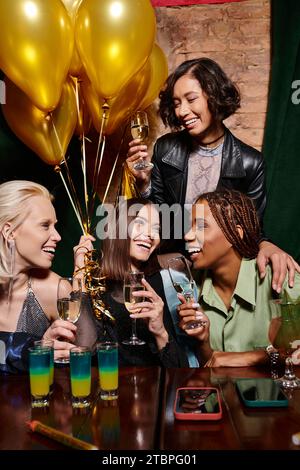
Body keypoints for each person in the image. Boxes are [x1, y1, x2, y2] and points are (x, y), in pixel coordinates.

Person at [126, 57, 299, 292]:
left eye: (191, 99)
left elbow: (250, 230)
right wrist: (144, 184)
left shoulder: (250, 163)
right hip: (172, 268)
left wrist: (267, 245)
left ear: (214, 96)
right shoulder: (166, 150)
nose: (182, 111)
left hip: (219, 276)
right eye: (176, 103)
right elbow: (160, 216)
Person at [177, 189, 300, 367]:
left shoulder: (282, 278)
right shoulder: (190, 288)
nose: (187, 236)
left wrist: (256, 357)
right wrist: (203, 343)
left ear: (235, 233)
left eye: (202, 226)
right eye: (189, 227)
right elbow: (211, 363)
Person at [76, 197, 188, 367]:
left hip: (151, 389)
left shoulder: (155, 282)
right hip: (108, 388)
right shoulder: (95, 282)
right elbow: (83, 351)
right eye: (140, 223)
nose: (151, 235)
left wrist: (160, 333)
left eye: (156, 229)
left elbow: (180, 370)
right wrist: (80, 273)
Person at [0, 180, 97, 373]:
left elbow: (88, 354)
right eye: (45, 225)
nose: (58, 236)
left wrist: (80, 277)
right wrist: (34, 350)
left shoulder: (55, 288)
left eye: (55, 226)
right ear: (9, 232)